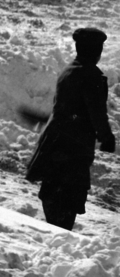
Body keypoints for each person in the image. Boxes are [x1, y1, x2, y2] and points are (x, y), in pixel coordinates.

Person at [26, 28, 115, 231]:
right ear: (96, 51)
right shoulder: (90, 75)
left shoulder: (69, 70)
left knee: (54, 194)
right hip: (72, 150)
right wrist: (106, 137)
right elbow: (96, 111)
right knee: (66, 201)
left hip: (57, 144)